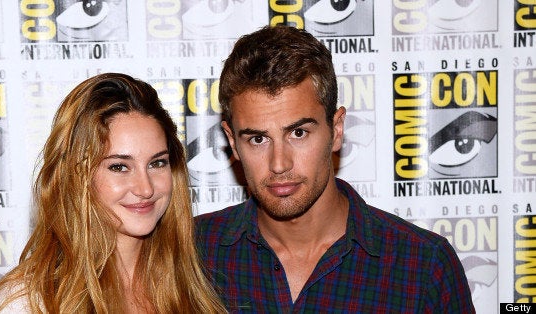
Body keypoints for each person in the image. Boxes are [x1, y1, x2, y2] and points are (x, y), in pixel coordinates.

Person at [195, 26, 475, 313]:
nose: (279, 163)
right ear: (232, 140)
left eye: (299, 133)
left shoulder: (423, 266)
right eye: (258, 139)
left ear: (337, 129)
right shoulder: (192, 253)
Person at [0, 73, 227, 313]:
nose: (146, 188)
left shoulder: (197, 288)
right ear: (77, 177)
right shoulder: (29, 301)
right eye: (119, 167)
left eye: (157, 163)